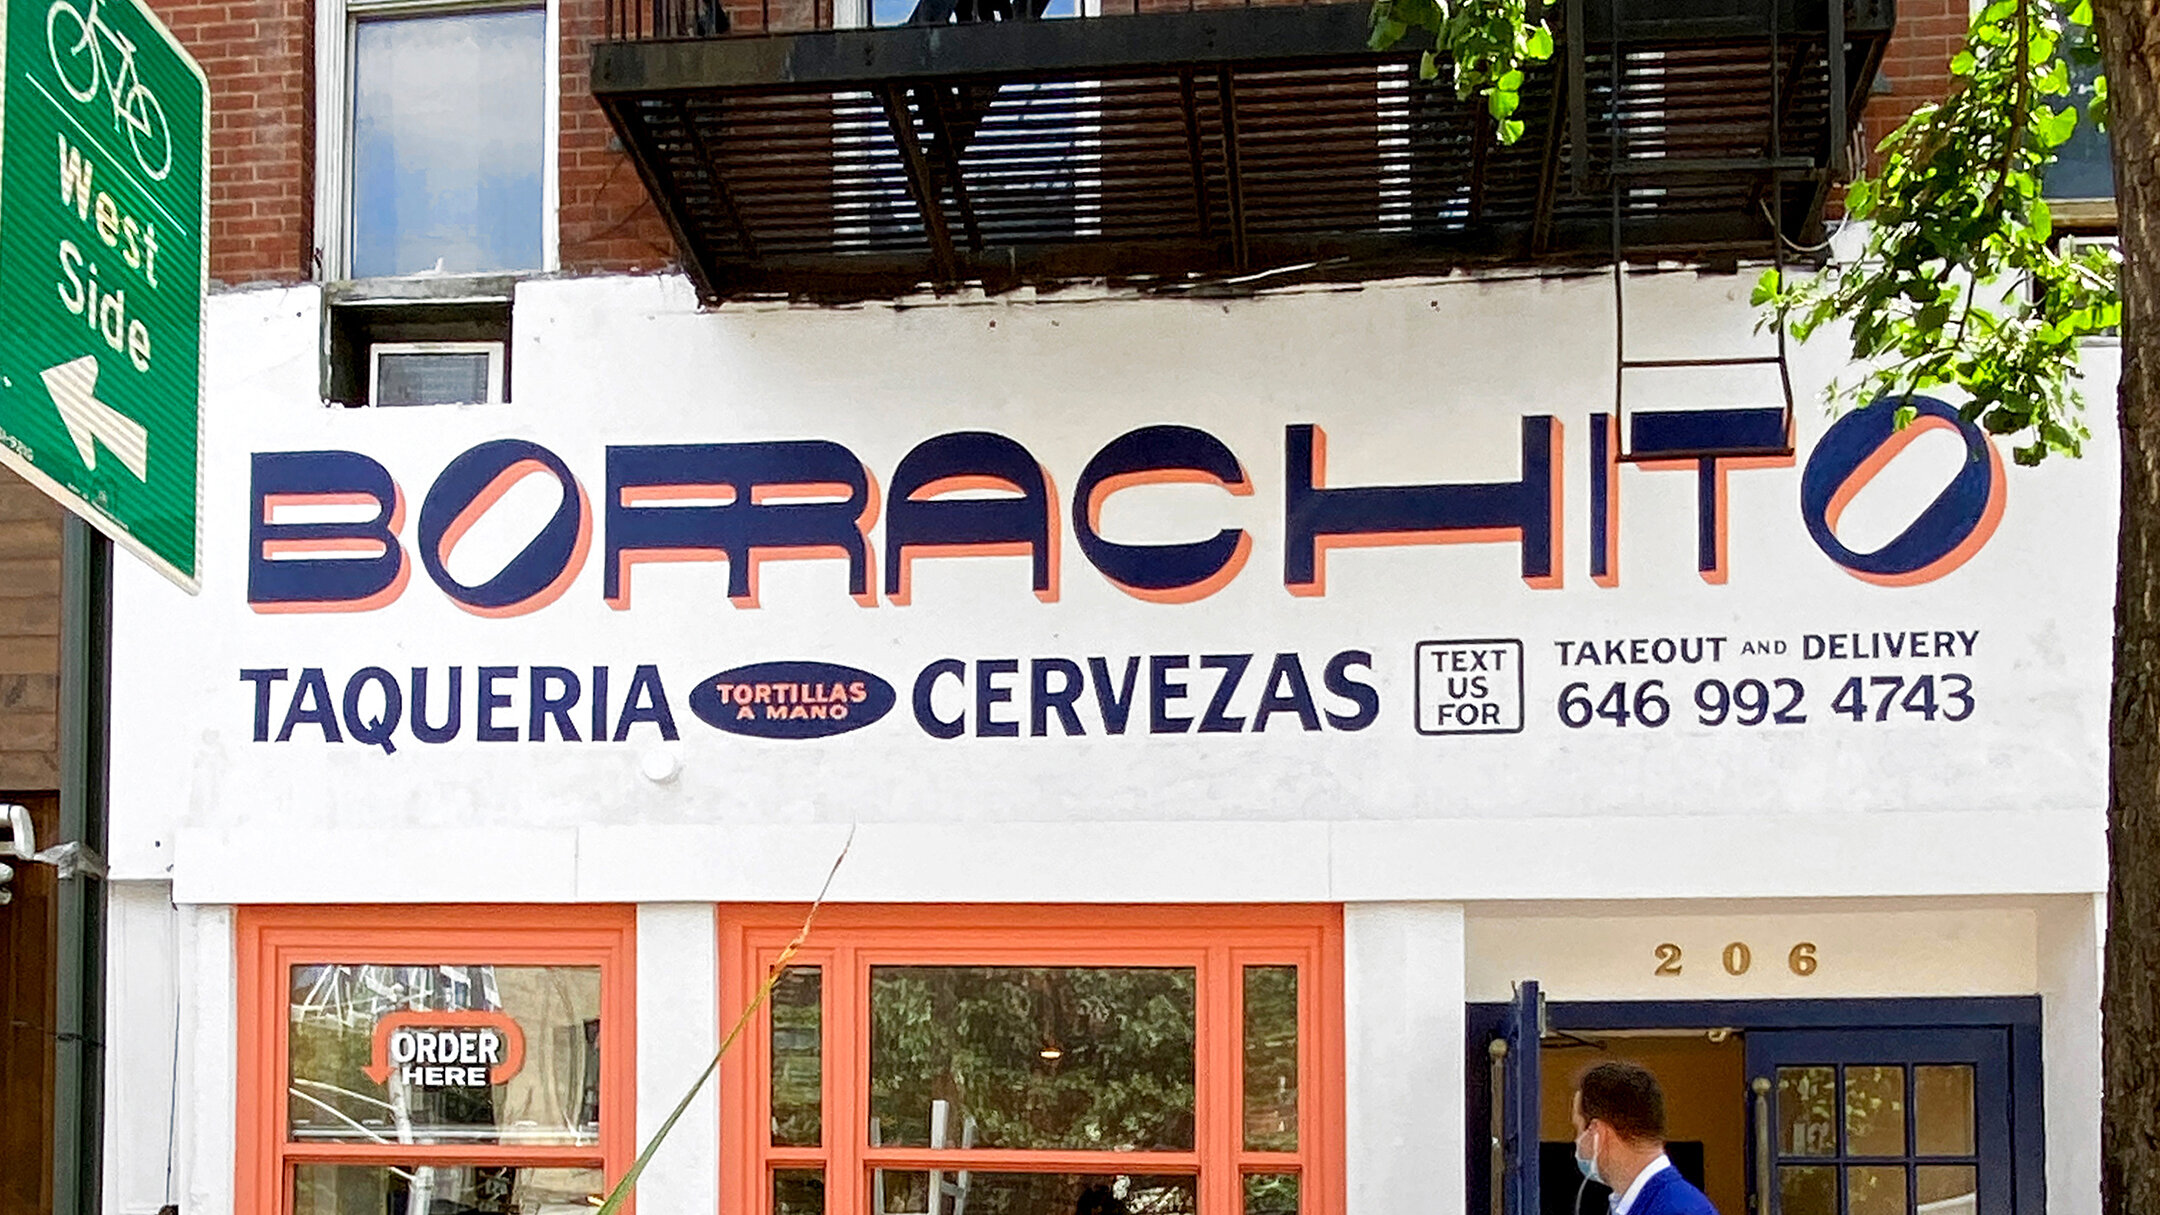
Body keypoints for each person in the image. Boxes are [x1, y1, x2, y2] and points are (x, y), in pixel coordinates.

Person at [1572, 1061, 1719, 1215]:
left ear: (1598, 1133)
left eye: (1578, 1129)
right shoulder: (1670, 1202)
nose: (1577, 1142)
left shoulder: (1677, 1210)